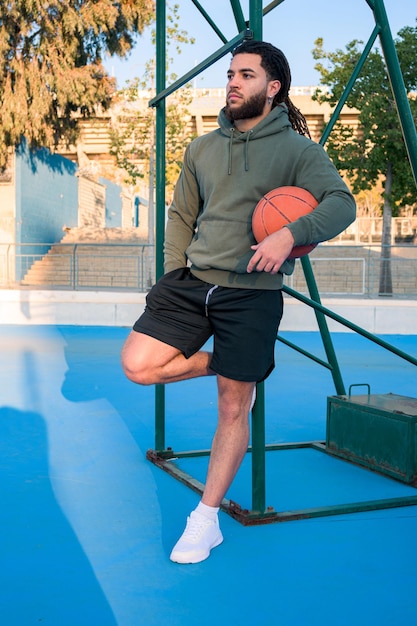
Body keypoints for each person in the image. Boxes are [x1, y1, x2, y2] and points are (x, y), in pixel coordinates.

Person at [121, 40, 356, 563]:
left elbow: (343, 203)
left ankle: (205, 520)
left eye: (246, 75)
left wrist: (288, 234)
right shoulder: (202, 148)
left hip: (251, 293)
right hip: (192, 280)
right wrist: (172, 272)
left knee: (233, 405)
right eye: (230, 74)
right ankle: (232, 366)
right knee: (137, 366)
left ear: (272, 88)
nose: (233, 82)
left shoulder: (298, 151)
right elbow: (182, 215)